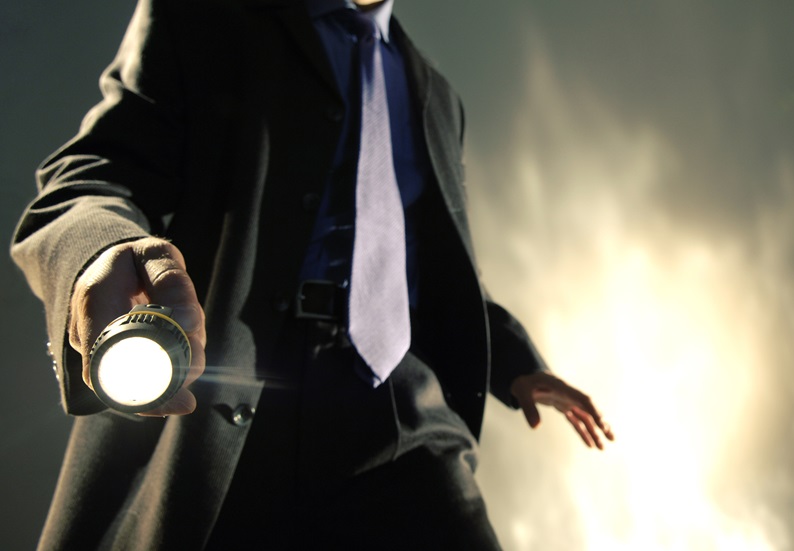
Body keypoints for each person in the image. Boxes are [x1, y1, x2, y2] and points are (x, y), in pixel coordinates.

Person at [12, 0, 614, 548]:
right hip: (237, 402)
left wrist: (517, 363)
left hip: (402, 409)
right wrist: (100, 251)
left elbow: (426, 266)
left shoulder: (436, 95)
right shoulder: (203, 17)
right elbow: (92, 173)